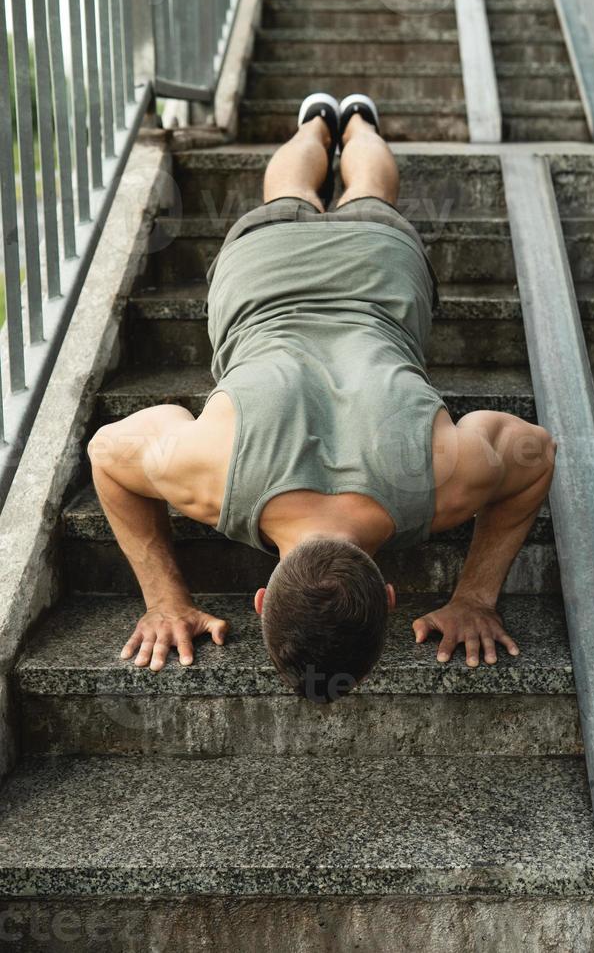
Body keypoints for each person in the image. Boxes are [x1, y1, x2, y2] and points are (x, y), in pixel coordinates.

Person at [88, 93, 556, 703]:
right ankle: (325, 121)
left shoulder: (444, 487)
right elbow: (108, 453)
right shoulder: (205, 472)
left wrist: (474, 597)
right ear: (261, 601)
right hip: (263, 275)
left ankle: (346, 122)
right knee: (285, 198)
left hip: (378, 271)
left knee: (370, 197)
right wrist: (165, 602)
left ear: (388, 597)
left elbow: (534, 451)